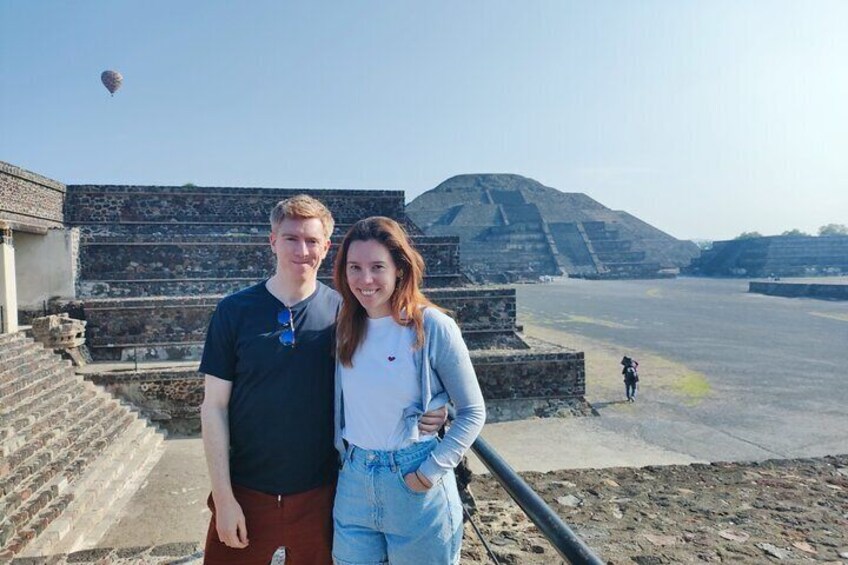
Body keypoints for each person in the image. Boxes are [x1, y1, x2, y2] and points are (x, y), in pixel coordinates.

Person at [199, 196, 445, 565]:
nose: (302, 250)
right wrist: (223, 497)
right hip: (247, 489)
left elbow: (394, 369)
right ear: (272, 241)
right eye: (291, 238)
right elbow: (214, 406)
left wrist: (439, 405)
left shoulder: (348, 313)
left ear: (327, 247)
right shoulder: (234, 311)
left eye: (312, 241)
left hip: (324, 493)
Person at [331, 216, 486, 565]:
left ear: (399, 269)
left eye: (377, 267)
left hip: (413, 480)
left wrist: (427, 474)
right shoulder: (344, 325)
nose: (365, 279)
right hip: (354, 479)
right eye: (354, 267)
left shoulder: (432, 327)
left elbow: (474, 411)